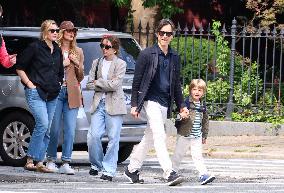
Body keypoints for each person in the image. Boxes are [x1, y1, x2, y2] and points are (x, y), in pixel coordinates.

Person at [124, 18, 189, 186]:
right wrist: (134, 105)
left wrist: (182, 105)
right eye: (162, 33)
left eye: (168, 33)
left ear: (172, 36)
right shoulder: (147, 54)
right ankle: (169, 173)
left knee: (149, 136)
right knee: (160, 135)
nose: (165, 36)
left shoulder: (174, 56)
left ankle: (131, 169)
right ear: (157, 34)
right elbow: (137, 81)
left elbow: (176, 84)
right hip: (150, 101)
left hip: (164, 103)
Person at [16, 19, 64, 173]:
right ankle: (30, 159)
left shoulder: (57, 50)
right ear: (44, 32)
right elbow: (19, 67)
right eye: (52, 30)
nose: (55, 33)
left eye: (57, 30)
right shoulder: (35, 47)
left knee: (46, 128)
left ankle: (39, 161)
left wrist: (59, 82)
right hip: (36, 92)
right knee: (42, 123)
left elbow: (60, 72)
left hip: (53, 93)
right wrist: (30, 84)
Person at [86, 35, 127, 181]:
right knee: (93, 136)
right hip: (99, 104)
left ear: (115, 50)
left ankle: (109, 170)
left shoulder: (121, 64)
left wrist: (99, 82)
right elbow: (89, 84)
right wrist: (103, 83)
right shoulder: (96, 63)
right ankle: (96, 165)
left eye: (108, 47)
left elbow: (115, 85)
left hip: (114, 105)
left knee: (113, 138)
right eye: (102, 46)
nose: (104, 49)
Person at [46, 21, 84, 175]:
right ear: (62, 32)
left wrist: (76, 64)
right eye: (68, 30)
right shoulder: (53, 49)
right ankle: (50, 160)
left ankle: (66, 162)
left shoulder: (79, 51)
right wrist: (64, 62)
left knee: (70, 130)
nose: (71, 33)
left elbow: (80, 77)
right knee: (53, 129)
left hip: (72, 93)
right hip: (56, 92)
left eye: (73, 30)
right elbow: (49, 70)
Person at [172, 79, 215, 185]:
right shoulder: (185, 103)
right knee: (178, 155)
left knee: (197, 156)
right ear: (190, 90)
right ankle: (172, 172)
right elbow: (176, 117)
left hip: (197, 136)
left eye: (200, 90)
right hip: (184, 134)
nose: (197, 92)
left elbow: (205, 121)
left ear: (203, 92)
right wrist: (180, 116)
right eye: (194, 89)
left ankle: (203, 174)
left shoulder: (202, 105)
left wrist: (204, 135)